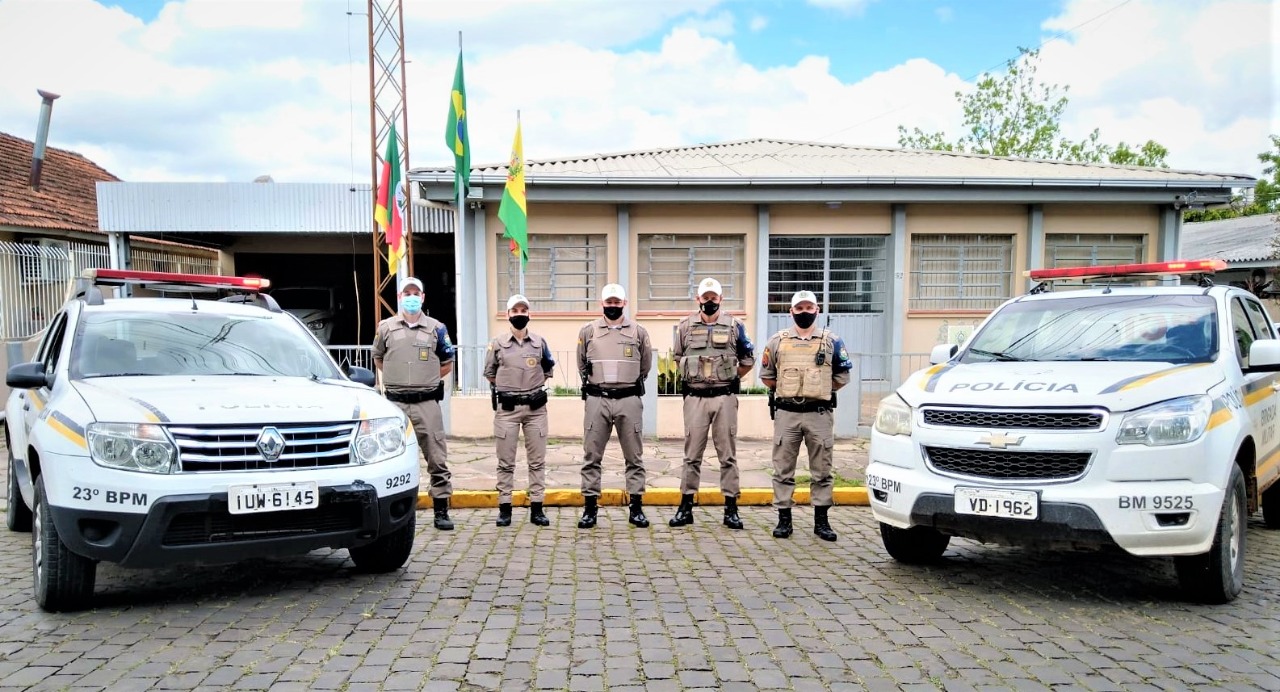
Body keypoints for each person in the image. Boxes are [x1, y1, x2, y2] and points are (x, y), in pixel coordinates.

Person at [759, 290, 853, 542]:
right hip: (787, 413)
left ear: (817, 310)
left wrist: (818, 390)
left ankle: (821, 522)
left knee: (822, 470)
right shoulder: (777, 341)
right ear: (791, 312)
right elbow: (767, 376)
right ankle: (784, 520)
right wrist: (791, 391)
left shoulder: (832, 341)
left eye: (809, 308)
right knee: (782, 469)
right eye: (799, 308)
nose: (804, 312)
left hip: (818, 414)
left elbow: (842, 376)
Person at [668, 277, 755, 530]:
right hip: (695, 399)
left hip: (724, 398)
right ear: (698, 299)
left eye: (713, 297)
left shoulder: (735, 326)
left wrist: (729, 378)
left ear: (720, 299)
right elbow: (678, 358)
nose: (709, 301)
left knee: (727, 456)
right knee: (691, 456)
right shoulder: (685, 326)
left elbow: (748, 359)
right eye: (705, 297)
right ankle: (686, 508)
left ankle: (731, 509)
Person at [372, 277, 456, 530]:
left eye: (415, 293)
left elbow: (447, 362)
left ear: (422, 297)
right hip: (395, 404)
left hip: (426, 403)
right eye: (406, 293)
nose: (411, 297)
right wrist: (399, 377)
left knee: (436, 458)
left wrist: (424, 378)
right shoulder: (385, 327)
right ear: (399, 297)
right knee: (389, 459)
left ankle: (441, 510)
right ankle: (391, 512)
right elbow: (378, 358)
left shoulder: (436, 328)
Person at [576, 283, 653, 529]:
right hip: (597, 399)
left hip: (628, 399)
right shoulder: (588, 331)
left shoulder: (639, 332)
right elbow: (581, 364)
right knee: (591, 455)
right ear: (602, 304)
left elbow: (645, 366)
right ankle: (590, 509)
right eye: (609, 302)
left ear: (624, 304)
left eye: (617, 302)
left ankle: (636, 508)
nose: (612, 306)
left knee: (634, 456)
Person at [484, 294, 556, 527]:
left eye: (523, 310)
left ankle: (537, 508)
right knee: (506, 462)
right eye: (515, 311)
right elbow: (490, 373)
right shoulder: (497, 344)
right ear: (508, 314)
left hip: (535, 409)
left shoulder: (540, 342)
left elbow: (548, 369)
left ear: (529, 314)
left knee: (537, 461)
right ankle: (505, 508)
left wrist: (530, 387)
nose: (519, 314)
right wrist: (510, 387)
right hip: (508, 409)